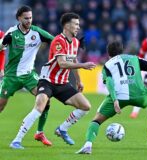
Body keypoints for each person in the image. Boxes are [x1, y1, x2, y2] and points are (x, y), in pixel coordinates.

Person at [9, 12, 96, 149]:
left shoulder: (75, 42)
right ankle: (16, 140)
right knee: (39, 107)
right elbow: (62, 63)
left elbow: (73, 60)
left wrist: (79, 81)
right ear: (67, 25)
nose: (78, 27)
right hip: (47, 81)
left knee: (86, 106)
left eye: (79, 25)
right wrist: (83, 66)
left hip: (63, 83)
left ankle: (62, 129)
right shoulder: (58, 41)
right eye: (76, 24)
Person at [76, 41, 147, 154]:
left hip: (119, 98)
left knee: (96, 120)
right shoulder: (134, 58)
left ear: (108, 53)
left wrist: (115, 99)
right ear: (122, 50)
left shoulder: (107, 65)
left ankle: (88, 145)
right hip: (139, 95)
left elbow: (109, 82)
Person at [0, 5, 54, 146]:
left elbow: (55, 41)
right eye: (26, 18)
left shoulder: (37, 32)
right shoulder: (12, 33)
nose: (29, 20)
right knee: (0, 106)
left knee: (46, 100)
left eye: (30, 18)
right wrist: (2, 44)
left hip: (29, 75)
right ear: (19, 18)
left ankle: (39, 132)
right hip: (11, 76)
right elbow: (1, 47)